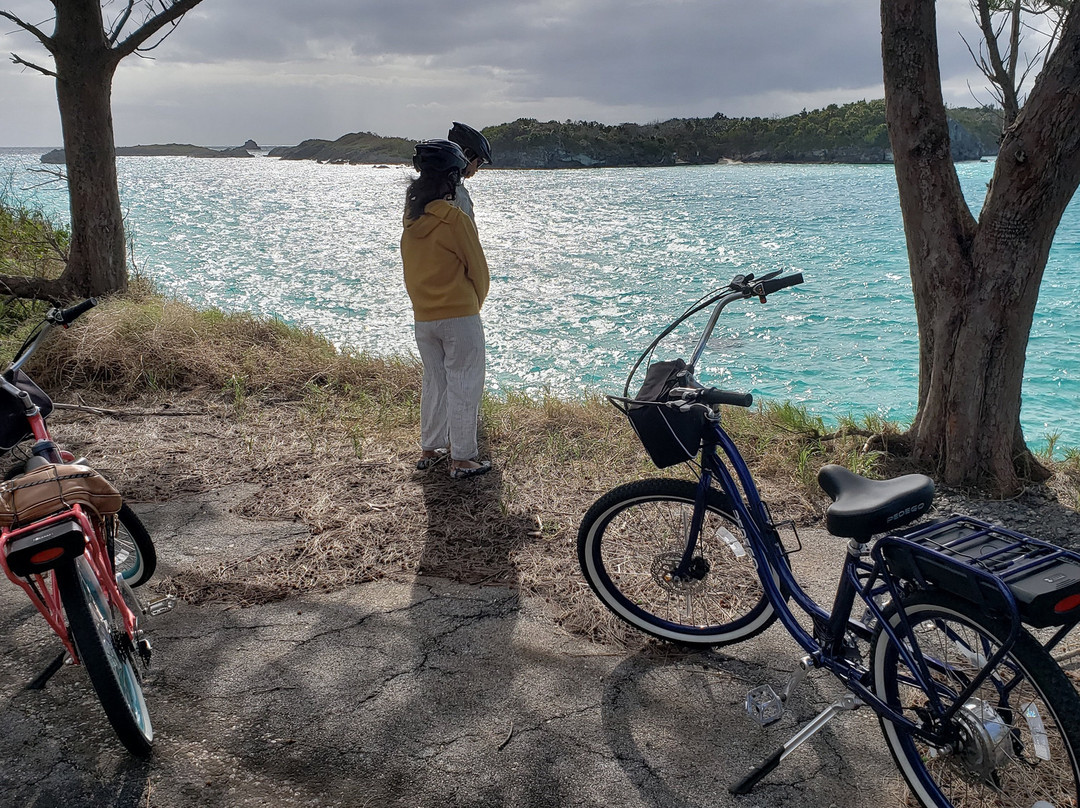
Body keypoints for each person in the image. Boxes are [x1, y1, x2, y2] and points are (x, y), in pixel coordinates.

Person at [400, 139, 493, 479]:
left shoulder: (412, 221)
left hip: (424, 317)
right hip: (460, 314)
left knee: (435, 382)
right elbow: (478, 270)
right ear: (453, 177)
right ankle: (463, 458)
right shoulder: (455, 219)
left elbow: (410, 271)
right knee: (465, 382)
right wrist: (474, 303)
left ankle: (430, 447)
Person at [447, 122, 492, 220]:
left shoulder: (438, 188)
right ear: (467, 154)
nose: (476, 169)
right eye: (479, 162)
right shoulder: (456, 194)